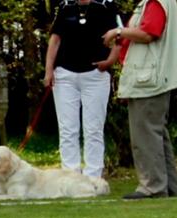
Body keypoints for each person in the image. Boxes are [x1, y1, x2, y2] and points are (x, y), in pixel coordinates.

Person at [103, 0, 177, 199]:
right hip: (152, 78)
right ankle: (169, 187)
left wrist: (119, 32)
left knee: (145, 135)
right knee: (156, 135)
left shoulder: (155, 3)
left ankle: (152, 186)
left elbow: (149, 33)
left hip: (148, 81)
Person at [44, 0, 121, 179]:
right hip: (64, 75)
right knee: (67, 129)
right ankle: (70, 176)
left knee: (93, 128)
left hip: (95, 75)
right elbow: (55, 40)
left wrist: (110, 61)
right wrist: (49, 70)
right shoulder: (65, 6)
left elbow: (120, 38)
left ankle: (93, 176)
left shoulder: (107, 5)